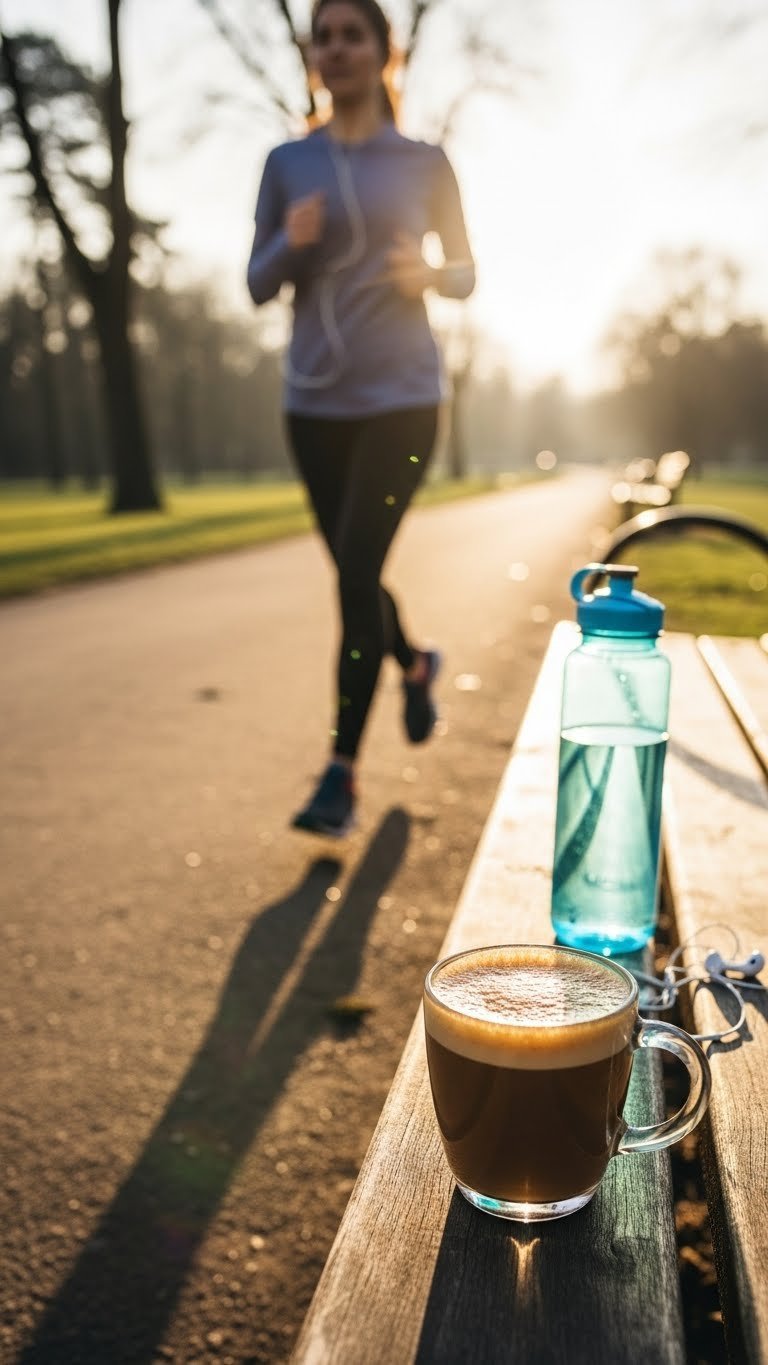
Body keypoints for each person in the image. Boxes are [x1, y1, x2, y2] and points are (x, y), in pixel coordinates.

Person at [247, 0, 475, 836]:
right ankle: (415, 661)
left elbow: (468, 271)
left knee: (352, 570)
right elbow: (255, 282)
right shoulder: (286, 162)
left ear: (387, 52)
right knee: (353, 566)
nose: (336, 48)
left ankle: (340, 774)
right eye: (324, 36)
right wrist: (290, 242)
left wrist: (430, 271)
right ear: (312, 57)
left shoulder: (423, 161)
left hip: (405, 400)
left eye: (353, 35)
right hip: (313, 402)